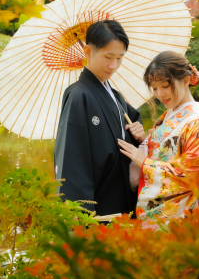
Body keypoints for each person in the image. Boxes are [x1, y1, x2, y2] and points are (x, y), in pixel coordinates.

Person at [118, 51, 199, 227]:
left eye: (165, 86)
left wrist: (145, 162)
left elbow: (194, 175)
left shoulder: (196, 121)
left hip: (180, 218)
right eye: (154, 88)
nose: (160, 94)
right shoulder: (170, 115)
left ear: (185, 81)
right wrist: (143, 141)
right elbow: (167, 153)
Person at [53, 20, 146, 217]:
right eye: (108, 56)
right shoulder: (79, 95)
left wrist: (138, 136)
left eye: (120, 58)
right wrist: (81, 214)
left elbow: (132, 129)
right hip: (98, 206)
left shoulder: (115, 96)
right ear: (88, 51)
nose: (114, 65)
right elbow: (72, 159)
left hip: (122, 201)